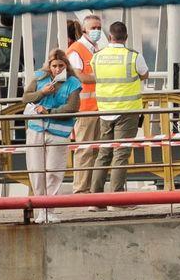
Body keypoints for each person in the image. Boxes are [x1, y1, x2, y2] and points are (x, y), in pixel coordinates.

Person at [88, 21, 148, 205]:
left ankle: (96, 199)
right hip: (127, 111)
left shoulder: (97, 57)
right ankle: (117, 199)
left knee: (104, 153)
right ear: (126, 37)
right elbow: (144, 74)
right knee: (120, 154)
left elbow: (95, 74)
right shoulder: (133, 56)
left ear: (109, 37)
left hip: (105, 111)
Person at [22, 50, 82, 223]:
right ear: (49, 66)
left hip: (59, 132)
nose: (57, 69)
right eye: (54, 66)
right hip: (37, 129)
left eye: (60, 66)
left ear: (66, 66)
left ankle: (50, 209)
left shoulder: (73, 83)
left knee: (54, 172)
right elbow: (25, 98)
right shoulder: (40, 78)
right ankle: (41, 209)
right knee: (36, 171)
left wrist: (49, 112)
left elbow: (71, 108)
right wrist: (43, 93)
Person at [65, 15, 102, 194]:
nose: (97, 31)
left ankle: (91, 188)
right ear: (85, 30)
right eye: (93, 27)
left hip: (97, 107)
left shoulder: (96, 49)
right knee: (85, 150)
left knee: (95, 150)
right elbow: (79, 76)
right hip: (85, 109)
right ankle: (80, 189)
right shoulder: (76, 50)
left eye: (99, 27)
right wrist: (102, 79)